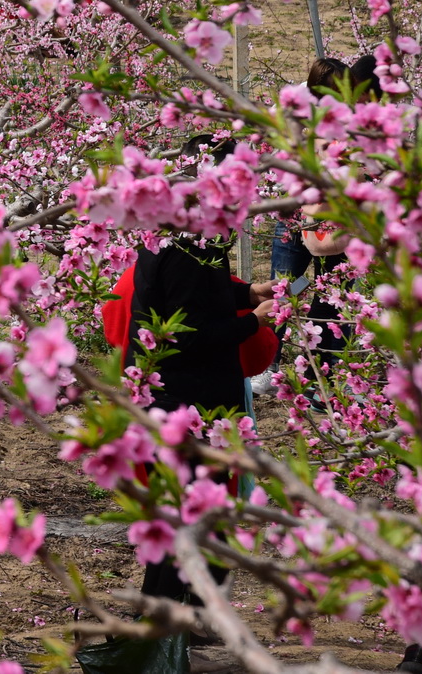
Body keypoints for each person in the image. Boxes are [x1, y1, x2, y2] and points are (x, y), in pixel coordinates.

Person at [119, 229, 278, 610]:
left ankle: (166, 618)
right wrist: (251, 322)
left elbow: (200, 298)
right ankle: (161, 625)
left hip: (183, 398)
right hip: (187, 403)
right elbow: (190, 334)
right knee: (190, 515)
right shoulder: (182, 253)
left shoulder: (185, 243)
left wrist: (248, 293)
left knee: (182, 516)